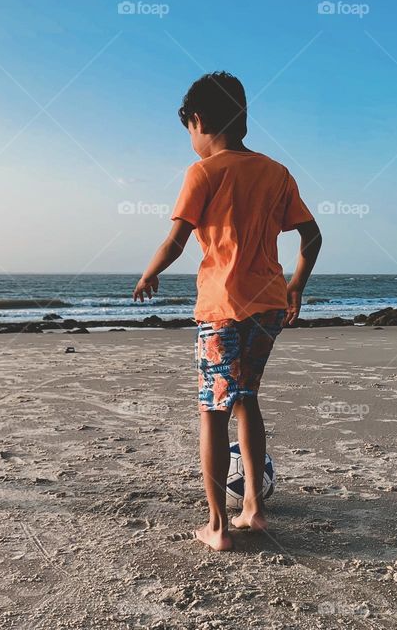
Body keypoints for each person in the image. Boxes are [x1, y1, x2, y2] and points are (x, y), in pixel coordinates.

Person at [133, 71, 322, 551]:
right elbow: (312, 235)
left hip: (221, 307)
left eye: (190, 131)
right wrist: (295, 284)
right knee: (247, 400)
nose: (191, 141)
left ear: (197, 121)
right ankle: (253, 508)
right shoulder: (276, 172)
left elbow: (176, 239)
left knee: (212, 411)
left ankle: (217, 525)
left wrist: (149, 273)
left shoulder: (202, 173)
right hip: (268, 305)